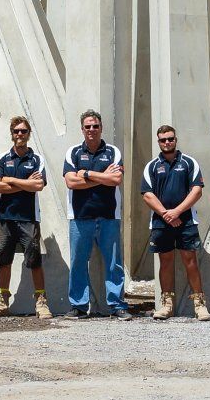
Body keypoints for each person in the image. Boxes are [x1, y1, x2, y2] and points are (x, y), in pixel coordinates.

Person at [139, 124, 210, 320]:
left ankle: (199, 304)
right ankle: (167, 304)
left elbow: (197, 190)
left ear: (176, 140)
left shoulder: (189, 163)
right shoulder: (152, 166)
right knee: (165, 262)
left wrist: (177, 212)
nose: (167, 142)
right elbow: (147, 194)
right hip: (161, 222)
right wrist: (165, 214)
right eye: (163, 140)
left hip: (186, 220)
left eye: (170, 138)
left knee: (190, 261)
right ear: (158, 142)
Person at [63, 109, 129, 319]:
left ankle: (117, 305)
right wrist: (103, 177)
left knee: (113, 263)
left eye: (95, 126)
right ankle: (79, 306)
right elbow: (71, 182)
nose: (92, 130)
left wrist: (88, 174)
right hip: (80, 216)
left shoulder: (113, 151)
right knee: (78, 262)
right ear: (82, 129)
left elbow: (116, 180)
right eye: (88, 126)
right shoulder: (73, 152)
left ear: (101, 128)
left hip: (109, 215)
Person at [0, 115, 51, 319]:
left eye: (23, 131)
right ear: (12, 134)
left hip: (29, 217)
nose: (20, 134)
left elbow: (38, 186)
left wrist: (11, 180)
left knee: (34, 260)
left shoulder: (37, 159)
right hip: (5, 218)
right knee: (3, 260)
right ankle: (2, 301)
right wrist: (24, 184)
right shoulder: (1, 158)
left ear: (29, 134)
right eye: (16, 131)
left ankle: (41, 303)